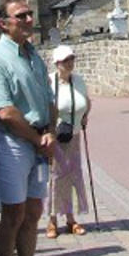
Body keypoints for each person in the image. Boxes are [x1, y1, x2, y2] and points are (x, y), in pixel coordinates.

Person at [0, 0, 63, 256]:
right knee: (13, 214)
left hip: (38, 142)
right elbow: (5, 112)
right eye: (22, 15)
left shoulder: (33, 55)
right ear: (3, 24)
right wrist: (37, 139)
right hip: (13, 143)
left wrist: (51, 133)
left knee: (33, 212)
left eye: (30, 13)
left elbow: (49, 101)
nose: (29, 19)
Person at [45, 44, 91, 239]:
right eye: (65, 60)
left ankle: (71, 218)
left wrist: (85, 116)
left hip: (74, 135)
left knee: (72, 176)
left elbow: (86, 101)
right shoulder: (48, 82)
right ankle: (52, 220)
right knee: (55, 178)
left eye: (71, 59)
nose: (69, 63)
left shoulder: (79, 81)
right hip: (55, 136)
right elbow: (44, 108)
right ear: (57, 63)